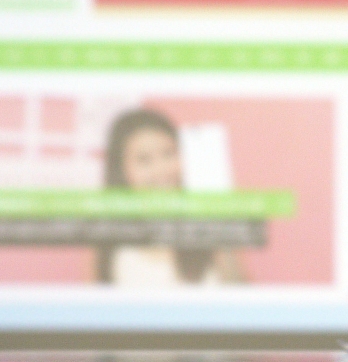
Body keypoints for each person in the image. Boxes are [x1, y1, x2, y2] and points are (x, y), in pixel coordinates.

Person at [95, 108, 245, 285]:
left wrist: (219, 227)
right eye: (144, 160)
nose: (161, 170)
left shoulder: (207, 228)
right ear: (122, 171)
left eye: (169, 153)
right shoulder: (109, 241)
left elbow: (241, 293)